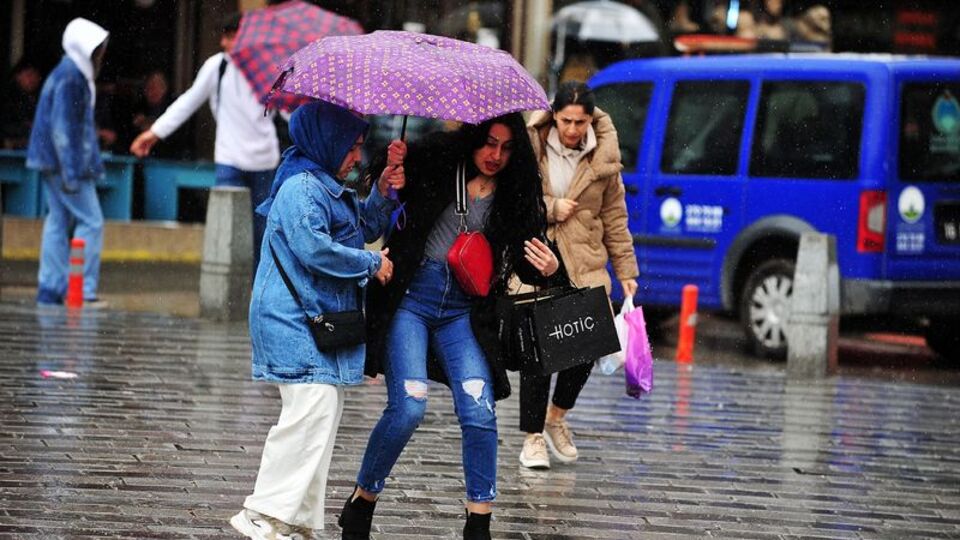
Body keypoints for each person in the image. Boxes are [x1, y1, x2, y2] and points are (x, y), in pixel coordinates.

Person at [339, 113, 561, 540]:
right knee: (408, 407)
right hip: (411, 302)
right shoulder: (437, 165)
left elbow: (535, 260)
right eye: (488, 144)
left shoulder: (515, 193)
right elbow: (390, 210)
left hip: (465, 314)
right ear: (474, 139)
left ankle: (479, 522)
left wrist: (550, 267)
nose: (495, 155)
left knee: (479, 412)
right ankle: (362, 501)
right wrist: (394, 172)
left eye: (506, 147)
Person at [229, 100, 405, 540]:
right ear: (328, 141)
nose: (357, 156)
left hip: (312, 317)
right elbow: (315, 248)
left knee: (322, 412)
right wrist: (368, 264)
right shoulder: (301, 188)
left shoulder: (326, 183)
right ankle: (264, 513)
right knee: (310, 411)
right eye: (352, 146)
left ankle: (297, 520)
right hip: (291, 318)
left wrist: (383, 189)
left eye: (361, 146)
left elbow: (360, 226)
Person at [518, 81, 638, 469]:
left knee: (585, 342)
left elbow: (615, 217)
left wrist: (626, 271)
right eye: (566, 120)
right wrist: (550, 207)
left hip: (584, 259)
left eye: (580, 122)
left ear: (591, 119)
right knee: (538, 349)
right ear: (554, 116)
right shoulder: (532, 144)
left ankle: (556, 417)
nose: (572, 130)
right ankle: (532, 436)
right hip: (537, 255)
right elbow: (516, 198)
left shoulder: (603, 157)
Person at [129, 12, 280, 270]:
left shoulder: (269, 70)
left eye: (233, 38)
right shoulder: (217, 67)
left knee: (262, 231)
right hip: (229, 159)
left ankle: (259, 290)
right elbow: (189, 101)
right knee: (225, 228)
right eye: (226, 37)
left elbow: (290, 110)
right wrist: (154, 132)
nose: (225, 44)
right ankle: (223, 286)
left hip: (265, 161)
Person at [26, 18, 110, 307]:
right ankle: (82, 289)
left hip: (51, 161)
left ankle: (50, 288)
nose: (101, 54)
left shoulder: (67, 71)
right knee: (92, 221)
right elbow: (64, 128)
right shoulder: (73, 76)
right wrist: (72, 174)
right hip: (66, 164)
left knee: (57, 220)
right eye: (97, 49)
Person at [129, 70, 188, 159]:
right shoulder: (140, 106)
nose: (150, 92)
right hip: (144, 157)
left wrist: (153, 125)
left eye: (154, 87)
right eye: (147, 88)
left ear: (164, 88)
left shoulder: (174, 106)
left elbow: (178, 136)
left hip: (171, 158)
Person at [1, 58, 42, 149]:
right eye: (28, 75)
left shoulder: (40, 97)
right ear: (18, 77)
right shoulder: (9, 99)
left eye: (35, 75)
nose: (32, 79)